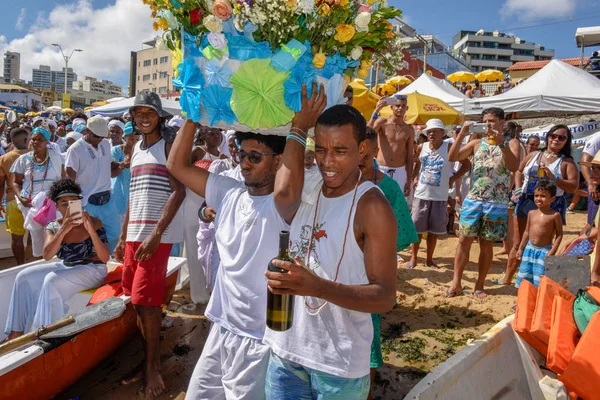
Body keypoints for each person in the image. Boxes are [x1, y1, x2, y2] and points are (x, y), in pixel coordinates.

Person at [171, 84, 325, 399]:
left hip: (260, 341)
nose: (244, 162)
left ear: (280, 160)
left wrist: (299, 127)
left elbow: (285, 189)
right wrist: (192, 114)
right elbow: (177, 166)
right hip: (220, 328)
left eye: (255, 156)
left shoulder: (284, 205)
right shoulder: (228, 192)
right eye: (242, 154)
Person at [264, 101, 398, 398]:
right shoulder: (309, 183)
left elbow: (385, 296)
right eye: (321, 150)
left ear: (362, 149)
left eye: (340, 151)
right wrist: (299, 127)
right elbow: (283, 197)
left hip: (339, 367)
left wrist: (317, 287)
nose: (327, 162)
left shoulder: (372, 206)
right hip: (285, 353)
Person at [113, 91, 185, 398]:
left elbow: (178, 191)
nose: (144, 116)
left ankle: (152, 368)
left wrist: (156, 235)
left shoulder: (167, 146)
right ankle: (148, 361)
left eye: (150, 112)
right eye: (138, 111)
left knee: (147, 302)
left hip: (157, 236)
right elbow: (133, 197)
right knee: (136, 300)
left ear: (159, 116)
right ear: (133, 116)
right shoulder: (137, 150)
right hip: (133, 237)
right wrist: (122, 235)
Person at [3, 179, 108, 341]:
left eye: (73, 202)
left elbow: (104, 258)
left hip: (93, 269)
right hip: (67, 267)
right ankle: (15, 332)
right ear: (57, 207)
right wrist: (64, 229)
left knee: (51, 280)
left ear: (80, 203)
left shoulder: (94, 222)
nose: (69, 206)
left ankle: (43, 334)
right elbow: (47, 255)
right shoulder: (53, 226)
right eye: (64, 203)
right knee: (23, 277)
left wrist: (91, 231)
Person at [359, 126, 417, 396]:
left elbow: (401, 234)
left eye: (365, 151)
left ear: (373, 151)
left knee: (367, 337)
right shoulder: (335, 182)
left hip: (369, 274)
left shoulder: (388, 187)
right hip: (337, 271)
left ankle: (367, 392)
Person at [447, 108, 519, 298]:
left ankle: (479, 285)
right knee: (463, 242)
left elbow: (514, 167)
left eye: (492, 121)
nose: (488, 125)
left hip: (497, 203)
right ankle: (456, 283)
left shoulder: (511, 143)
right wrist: (461, 135)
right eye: (485, 121)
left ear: (502, 122)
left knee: (486, 245)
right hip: (473, 200)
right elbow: (452, 157)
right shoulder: (476, 143)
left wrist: (501, 143)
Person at [501, 125, 578, 286]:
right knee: (518, 242)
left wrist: (554, 178)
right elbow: (518, 170)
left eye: (561, 137)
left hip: (552, 204)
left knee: (541, 244)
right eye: (553, 135)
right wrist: (518, 188)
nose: (556, 139)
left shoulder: (566, 162)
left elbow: (573, 187)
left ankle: (537, 280)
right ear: (548, 137)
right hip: (526, 200)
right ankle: (507, 278)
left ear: (566, 141)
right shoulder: (534, 155)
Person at [408, 119, 470, 269]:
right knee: (416, 229)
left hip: (440, 196)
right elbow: (418, 163)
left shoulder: (449, 147)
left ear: (442, 133)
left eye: (435, 131)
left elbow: (467, 164)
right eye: (429, 132)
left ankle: (429, 259)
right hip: (422, 194)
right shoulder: (421, 147)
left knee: (433, 232)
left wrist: (452, 179)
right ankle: (414, 258)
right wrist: (415, 176)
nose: (431, 134)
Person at [65, 116, 121, 253]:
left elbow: (109, 165)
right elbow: (69, 180)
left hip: (107, 199)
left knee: (115, 235)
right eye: (96, 136)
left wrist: (122, 164)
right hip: (86, 203)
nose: (99, 139)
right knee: (85, 238)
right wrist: (73, 208)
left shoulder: (106, 144)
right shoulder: (75, 149)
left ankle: (112, 266)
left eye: (102, 136)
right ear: (87, 131)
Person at [11, 123, 64, 257]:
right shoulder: (23, 160)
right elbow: (16, 182)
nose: (36, 142)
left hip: (52, 202)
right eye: (33, 139)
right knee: (36, 236)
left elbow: (64, 180)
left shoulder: (57, 158)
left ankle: (52, 260)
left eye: (40, 139)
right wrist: (21, 197)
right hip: (30, 203)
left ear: (47, 142)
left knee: (53, 232)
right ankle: (38, 260)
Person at [515, 180, 563, 288]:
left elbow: (559, 234)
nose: (538, 198)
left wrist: (552, 251)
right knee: (525, 277)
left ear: (552, 199)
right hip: (529, 250)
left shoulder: (555, 215)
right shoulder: (531, 213)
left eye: (543, 196)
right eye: (536, 195)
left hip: (544, 252)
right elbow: (527, 231)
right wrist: (521, 248)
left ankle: (538, 303)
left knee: (540, 279)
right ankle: (524, 302)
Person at [369, 94, 414, 197]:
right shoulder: (382, 122)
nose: (400, 108)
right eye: (397, 105)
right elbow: (367, 132)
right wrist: (376, 110)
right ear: (392, 107)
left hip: (400, 171)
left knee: (396, 206)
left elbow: (410, 156)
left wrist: (409, 179)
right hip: (381, 169)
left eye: (403, 106)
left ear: (406, 108)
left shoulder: (409, 130)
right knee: (378, 202)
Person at [0, 128, 30, 264]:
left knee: (17, 238)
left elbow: (1, 185)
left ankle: (20, 264)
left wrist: (0, 203)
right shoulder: (36, 154)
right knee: (36, 235)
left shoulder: (4, 158)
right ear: (26, 140)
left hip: (12, 201)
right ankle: (35, 261)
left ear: (11, 141)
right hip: (33, 200)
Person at [111, 122, 139, 224]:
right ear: (125, 137)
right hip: (119, 192)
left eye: (137, 139)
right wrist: (123, 165)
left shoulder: (141, 151)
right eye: (131, 139)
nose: (134, 142)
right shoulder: (115, 151)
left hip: (135, 192)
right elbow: (111, 173)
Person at [580, 130, 600, 225]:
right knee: (593, 223)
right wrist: (591, 184)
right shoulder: (597, 138)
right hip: (597, 185)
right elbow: (585, 162)